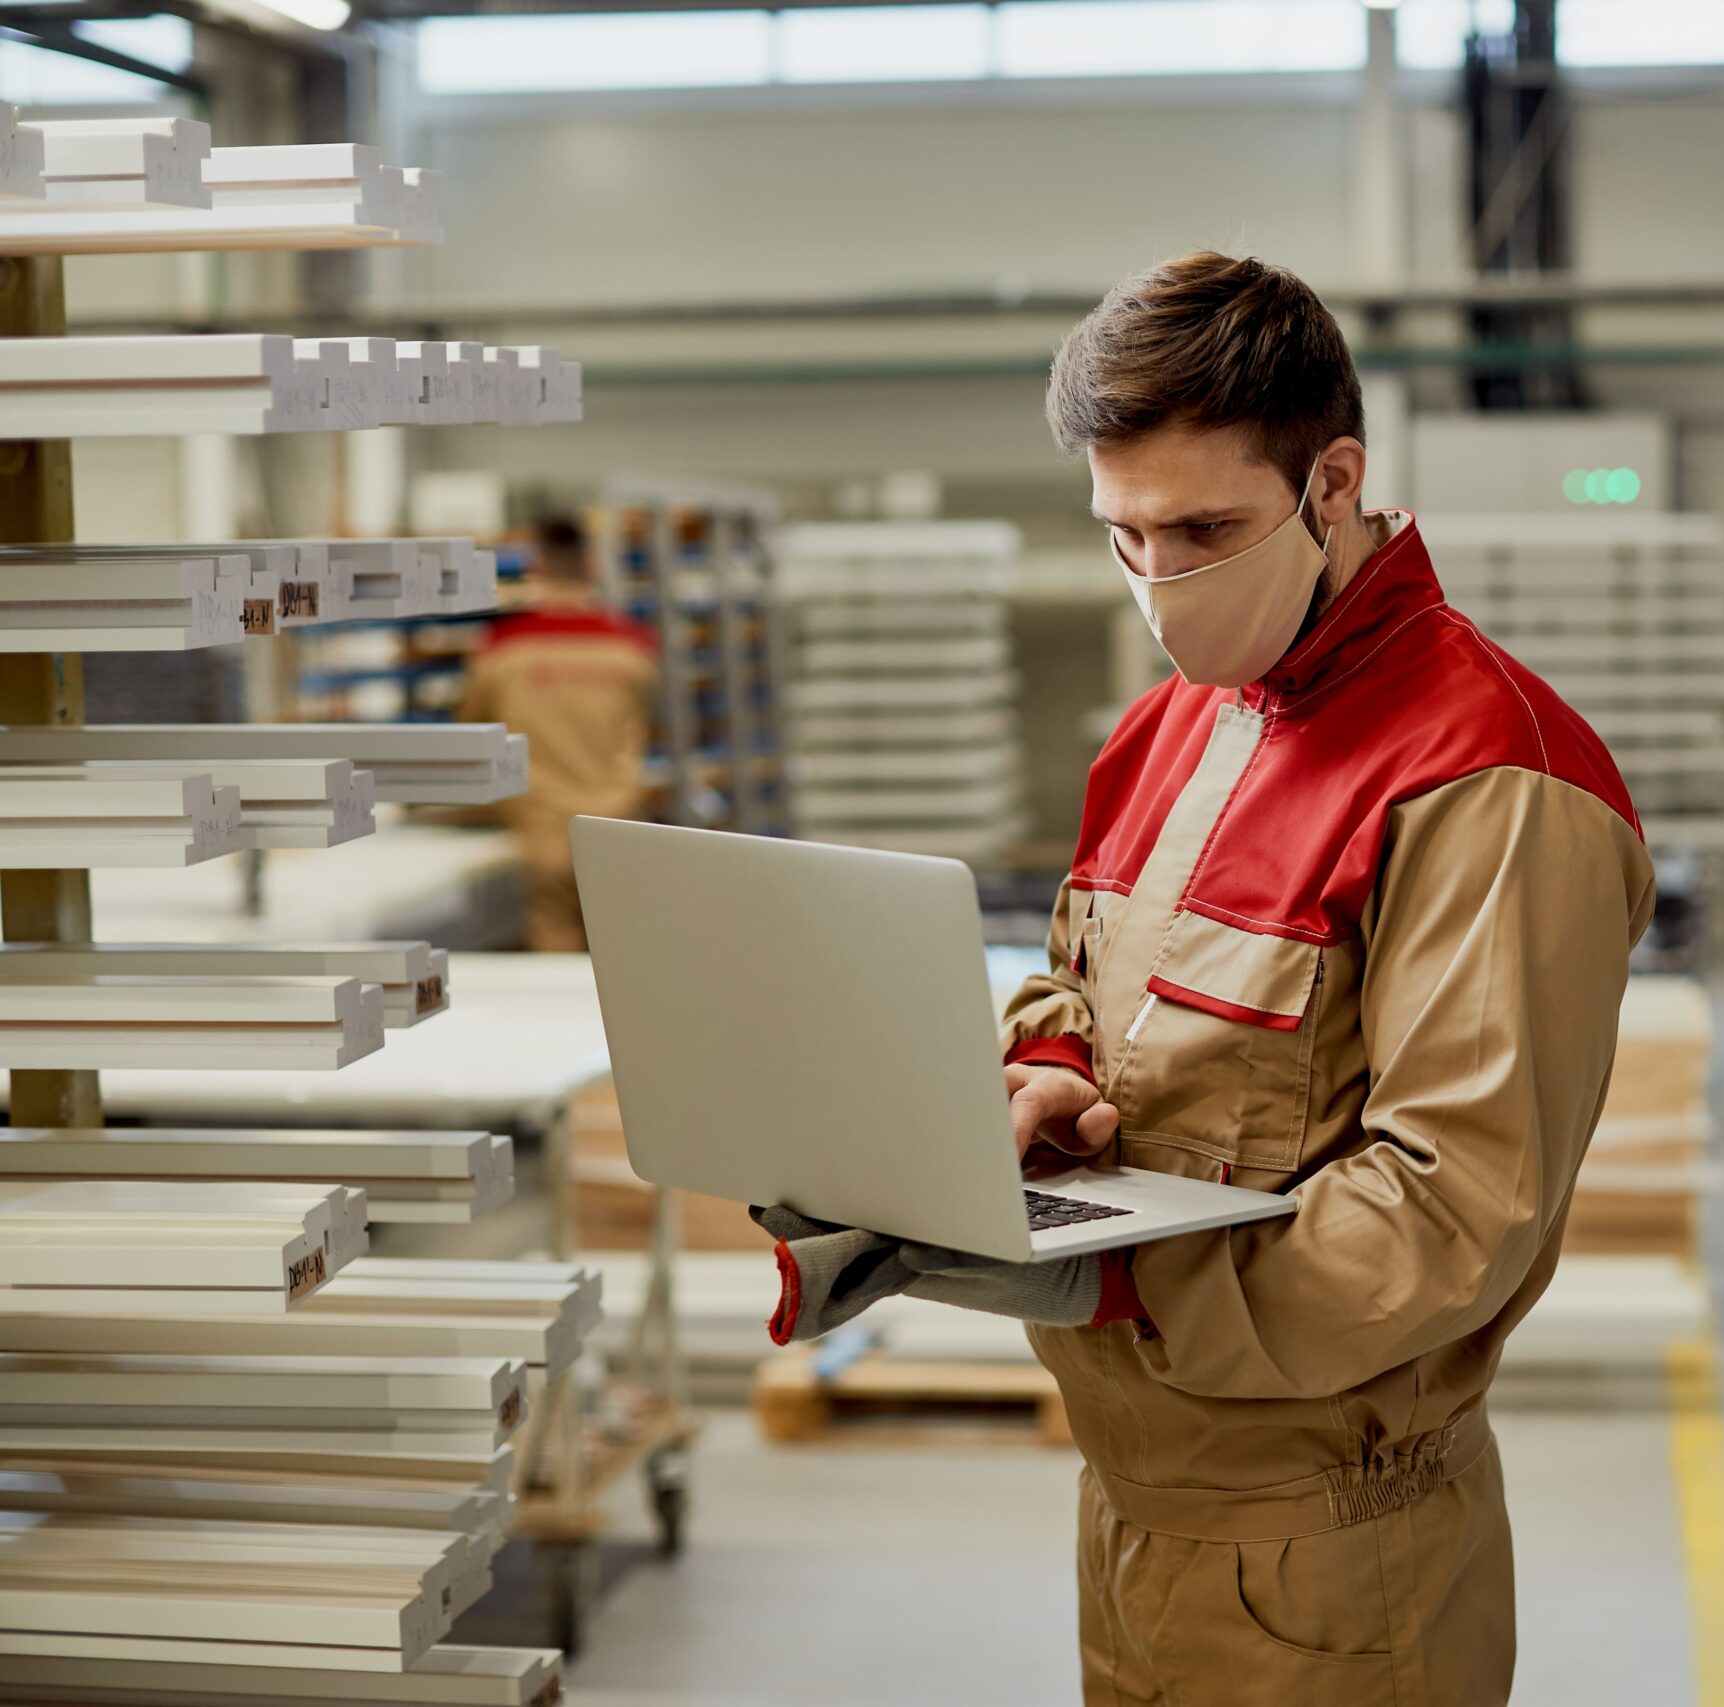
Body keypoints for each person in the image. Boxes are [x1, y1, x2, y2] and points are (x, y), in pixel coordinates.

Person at [756, 252, 1655, 1705]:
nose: (1162, 583)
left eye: (1205, 529)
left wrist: (1113, 1275)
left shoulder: (1488, 779)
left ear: (1334, 482)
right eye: (1127, 536)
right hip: (1133, 1505)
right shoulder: (1173, 728)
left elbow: (1453, 1205)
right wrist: (1045, 1074)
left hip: (1335, 1557)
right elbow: (1073, 982)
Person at [456, 516, 657, 951]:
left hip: (544, 830)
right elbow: (645, 725)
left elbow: (470, 735)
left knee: (559, 973)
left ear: (539, 566)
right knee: (623, 963)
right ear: (591, 566)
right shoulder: (631, 647)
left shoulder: (503, 649)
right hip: (616, 827)